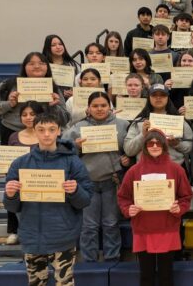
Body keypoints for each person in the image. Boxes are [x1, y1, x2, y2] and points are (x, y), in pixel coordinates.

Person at [3, 112, 92, 286]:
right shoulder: (20, 163)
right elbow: (11, 207)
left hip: (63, 236)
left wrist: (75, 191)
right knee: (36, 283)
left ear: (59, 131)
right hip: (31, 236)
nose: (46, 134)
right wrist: (10, 194)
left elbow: (85, 201)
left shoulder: (73, 162)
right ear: (34, 131)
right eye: (41, 129)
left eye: (51, 129)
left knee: (64, 283)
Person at [118, 129, 192, 286]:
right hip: (143, 228)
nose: (154, 146)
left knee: (166, 275)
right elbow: (123, 197)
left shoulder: (177, 169)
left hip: (168, 227)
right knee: (146, 275)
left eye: (158, 142)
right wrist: (128, 209)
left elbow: (186, 197)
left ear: (165, 145)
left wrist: (180, 208)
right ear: (144, 146)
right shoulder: (134, 171)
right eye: (150, 143)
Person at [63, 92, 129, 262]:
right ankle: (89, 262)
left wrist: (127, 158)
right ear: (88, 108)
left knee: (111, 224)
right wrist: (75, 147)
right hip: (87, 184)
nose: (99, 109)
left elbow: (130, 148)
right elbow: (62, 151)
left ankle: (112, 260)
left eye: (103, 105)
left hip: (112, 181)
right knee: (89, 226)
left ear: (110, 107)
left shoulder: (122, 125)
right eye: (95, 106)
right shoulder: (78, 127)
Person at [0, 52, 70, 144]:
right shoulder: (9, 84)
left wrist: (54, 107)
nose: (37, 66)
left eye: (41, 63)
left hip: (44, 134)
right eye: (31, 63)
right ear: (24, 67)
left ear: (47, 67)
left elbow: (64, 119)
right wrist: (9, 104)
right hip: (11, 132)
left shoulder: (54, 88)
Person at [4, 101, 44, 245]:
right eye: (24, 115)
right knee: (25, 221)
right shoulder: (13, 136)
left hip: (42, 182)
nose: (28, 117)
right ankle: (29, 254)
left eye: (33, 114)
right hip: (20, 185)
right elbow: (9, 161)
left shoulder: (46, 135)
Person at [42, 34, 80, 99]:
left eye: (60, 44)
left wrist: (75, 93)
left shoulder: (73, 64)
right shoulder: (44, 66)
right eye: (53, 45)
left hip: (71, 101)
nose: (58, 47)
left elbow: (81, 84)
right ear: (47, 48)